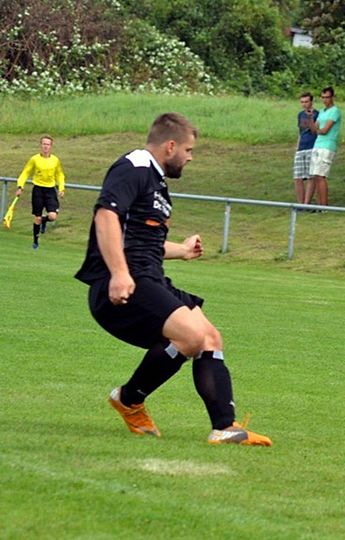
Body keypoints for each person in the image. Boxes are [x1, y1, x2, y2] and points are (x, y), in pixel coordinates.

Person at [74, 112, 272, 446]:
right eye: (189, 150)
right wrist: (120, 274)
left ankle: (225, 427)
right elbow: (105, 215)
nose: (190, 157)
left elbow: (140, 240)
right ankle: (129, 399)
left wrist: (181, 250)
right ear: (170, 146)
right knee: (192, 337)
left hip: (148, 276)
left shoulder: (156, 182)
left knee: (209, 337)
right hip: (124, 281)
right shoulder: (133, 167)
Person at [16, 135, 65, 249]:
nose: (45, 147)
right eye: (44, 144)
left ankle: (44, 220)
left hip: (50, 190)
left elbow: (60, 175)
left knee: (52, 216)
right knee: (37, 218)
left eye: (48, 144)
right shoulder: (34, 159)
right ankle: (35, 241)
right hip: (38, 189)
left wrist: (61, 188)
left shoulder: (55, 160)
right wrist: (20, 187)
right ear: (40, 145)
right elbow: (25, 173)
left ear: (51, 147)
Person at [306, 86, 342, 207]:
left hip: (327, 145)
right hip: (318, 144)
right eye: (323, 97)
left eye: (327, 97)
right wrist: (310, 118)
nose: (325, 100)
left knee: (321, 175)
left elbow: (325, 130)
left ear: (332, 97)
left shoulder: (335, 111)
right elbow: (314, 129)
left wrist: (318, 129)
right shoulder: (322, 112)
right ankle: (319, 204)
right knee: (315, 175)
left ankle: (324, 205)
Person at [294, 92, 320, 204]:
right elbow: (300, 132)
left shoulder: (317, 114)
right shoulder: (300, 115)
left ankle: (307, 202)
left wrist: (310, 118)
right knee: (297, 177)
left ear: (311, 102)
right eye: (302, 102)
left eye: (306, 102)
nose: (304, 104)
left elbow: (316, 131)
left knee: (311, 176)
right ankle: (300, 203)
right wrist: (297, 147)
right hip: (302, 147)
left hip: (312, 146)